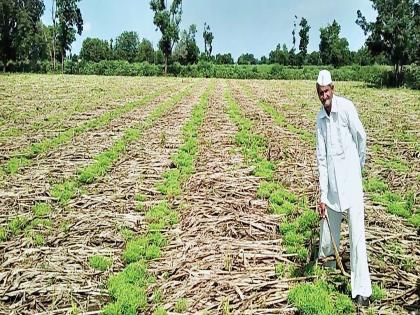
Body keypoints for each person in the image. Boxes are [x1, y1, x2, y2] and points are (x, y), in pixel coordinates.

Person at [315, 70, 372, 306]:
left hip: (352, 184)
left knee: (357, 237)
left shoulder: (347, 108)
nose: (324, 96)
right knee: (328, 232)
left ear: (333, 88)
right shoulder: (320, 119)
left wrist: (356, 168)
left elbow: (361, 137)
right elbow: (321, 159)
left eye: (326, 91)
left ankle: (362, 291)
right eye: (320, 93)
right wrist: (322, 194)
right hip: (332, 188)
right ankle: (326, 272)